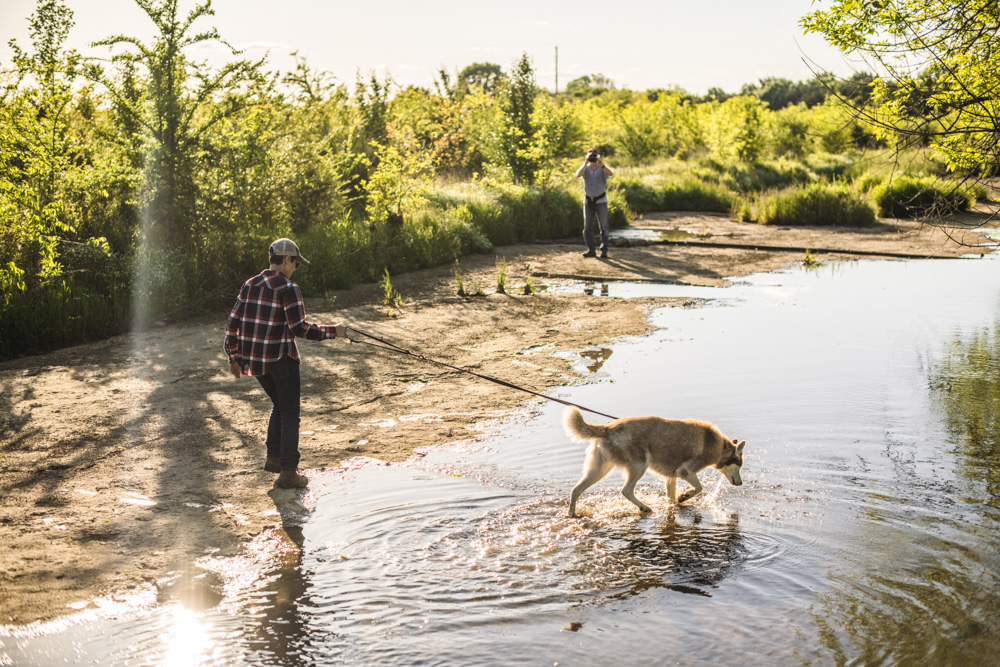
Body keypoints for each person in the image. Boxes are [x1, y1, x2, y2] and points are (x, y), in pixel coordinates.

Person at [224, 238, 347, 488]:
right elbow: (300, 328)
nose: (295, 268)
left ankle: (274, 458)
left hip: (256, 362)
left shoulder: (250, 284)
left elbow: (231, 323)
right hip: (282, 360)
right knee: (290, 414)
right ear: (288, 259)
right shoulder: (289, 287)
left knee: (279, 405)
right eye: (296, 263)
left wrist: (233, 357)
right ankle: (289, 473)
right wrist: (335, 331)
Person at [575, 148, 614, 258]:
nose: (592, 158)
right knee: (587, 227)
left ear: (598, 156)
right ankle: (591, 249)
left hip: (601, 200)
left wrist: (602, 164)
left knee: (604, 227)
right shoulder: (586, 169)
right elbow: (578, 175)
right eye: (590, 156)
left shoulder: (602, 168)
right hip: (588, 201)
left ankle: (604, 251)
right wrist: (585, 163)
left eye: (594, 156)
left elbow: (611, 174)